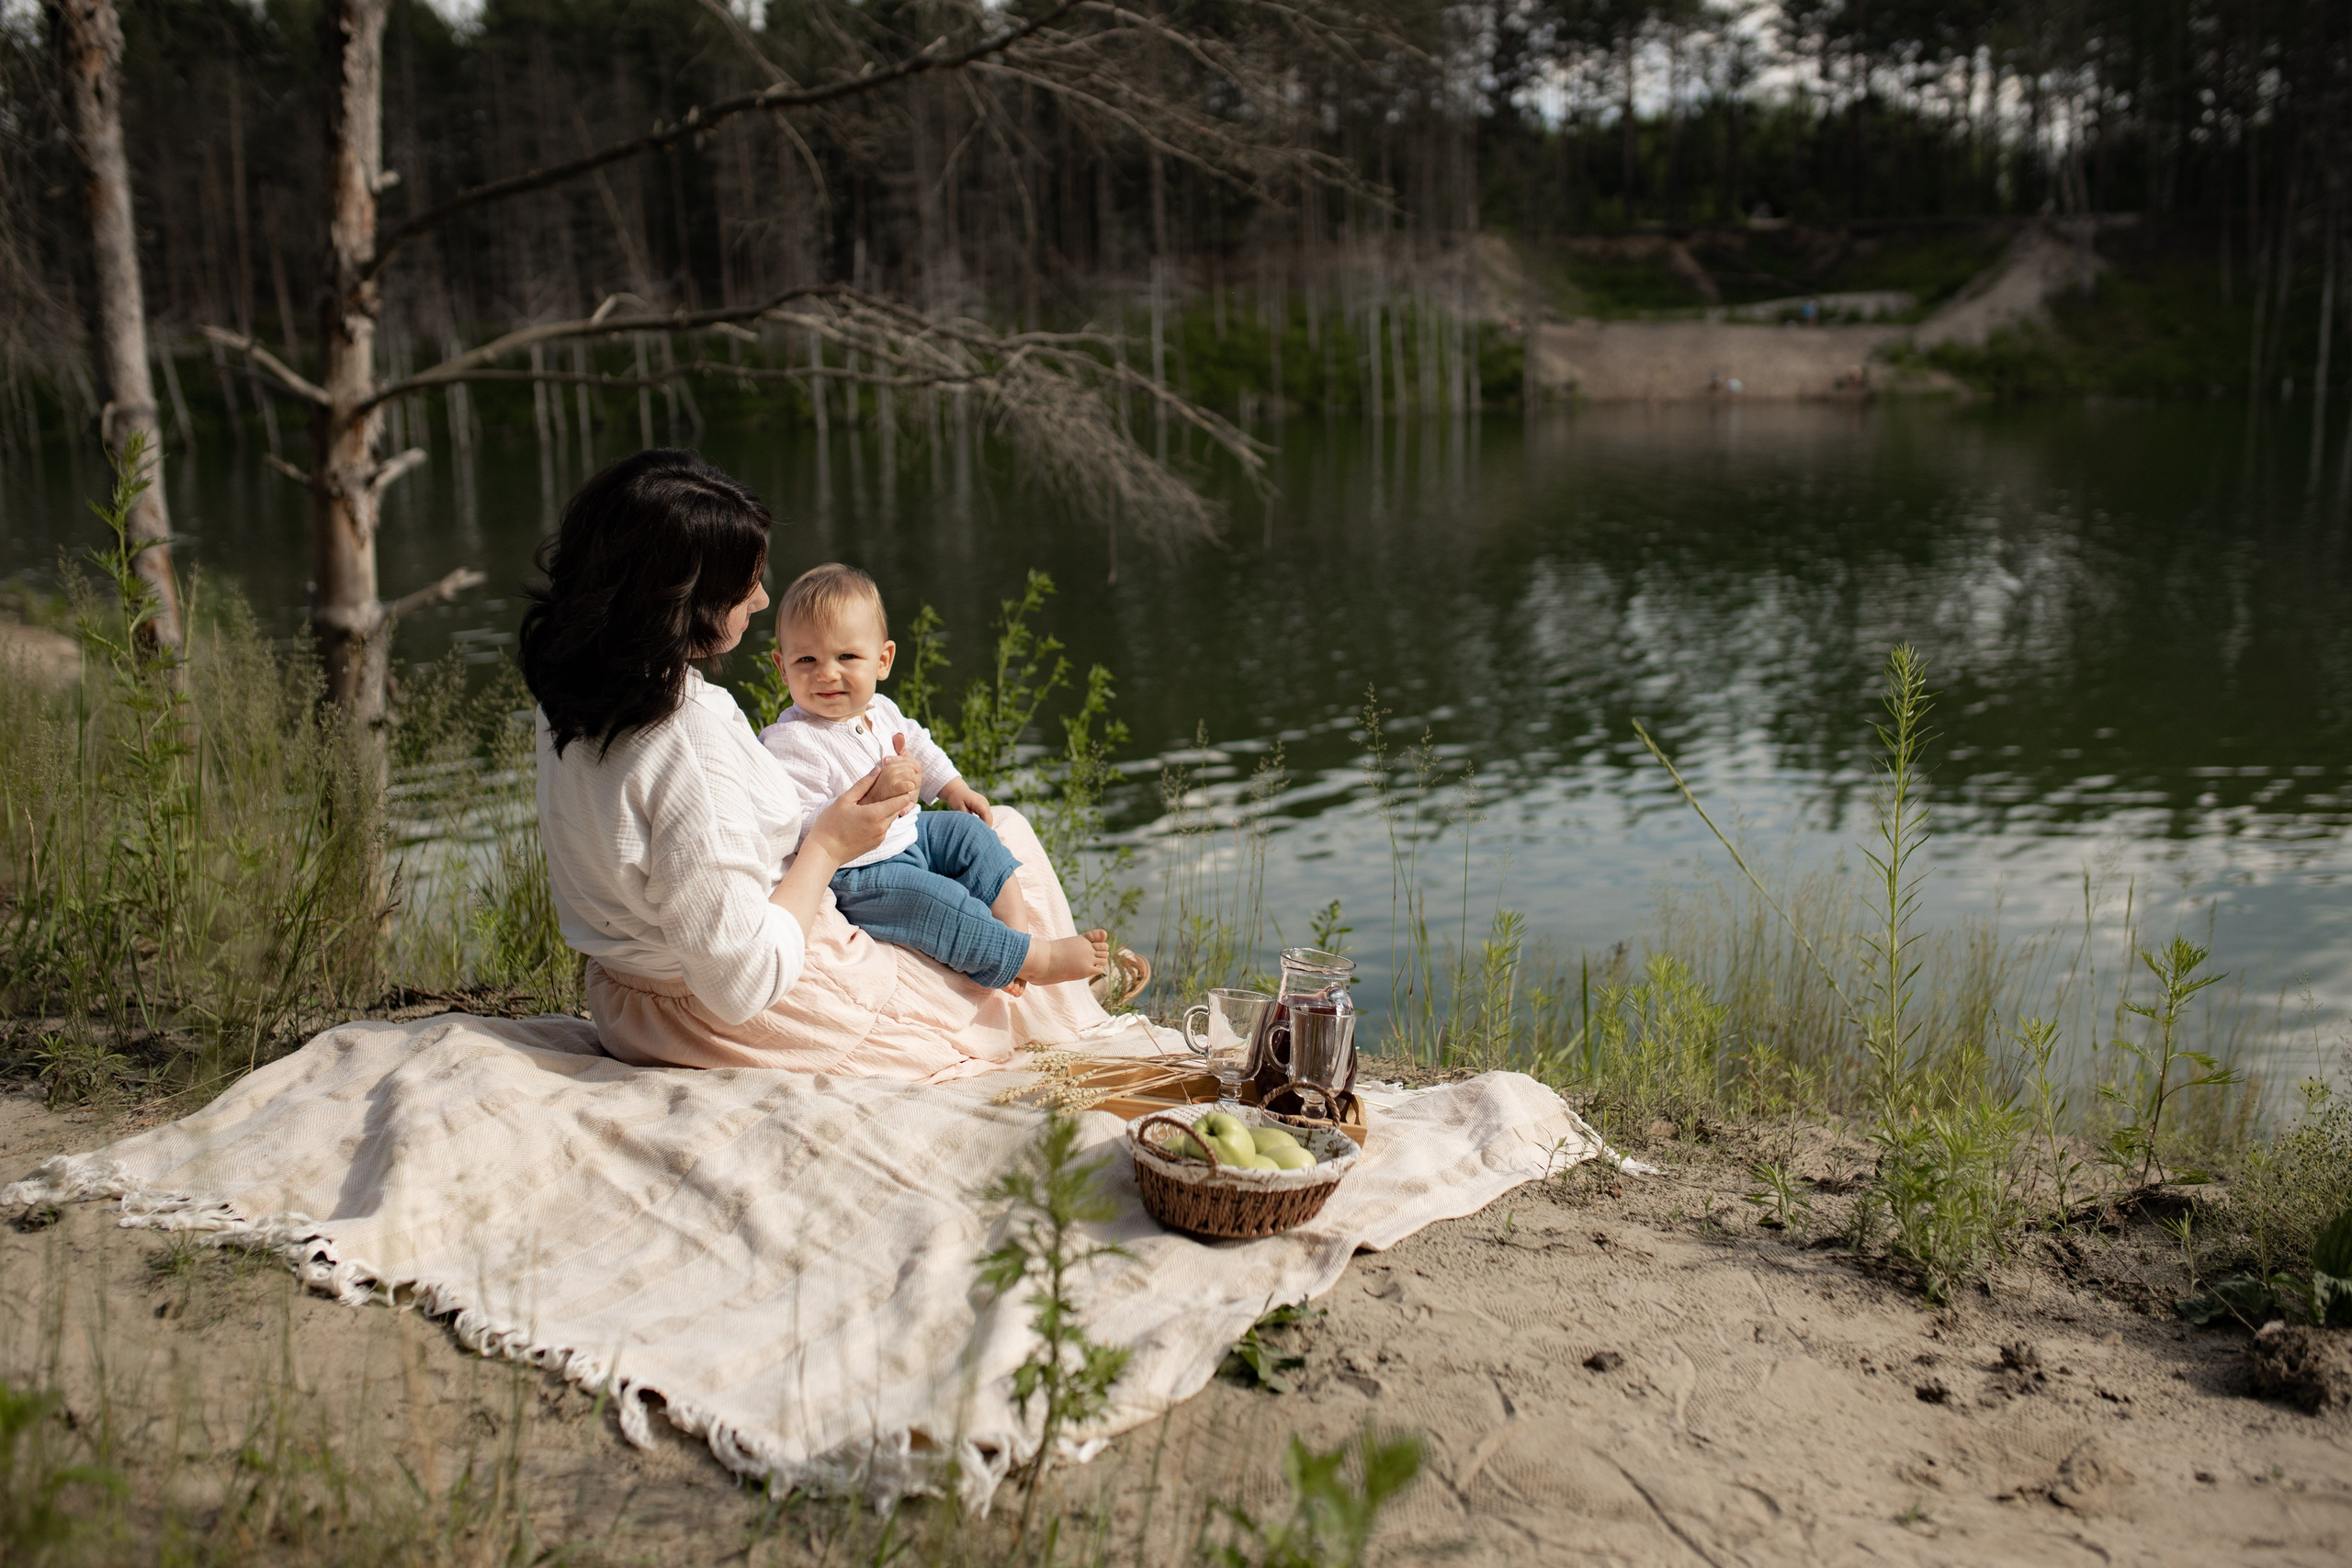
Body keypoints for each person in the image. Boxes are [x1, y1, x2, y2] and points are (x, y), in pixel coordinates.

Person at [519, 449, 1109, 1077]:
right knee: (1002, 855)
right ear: (683, 594)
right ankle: (1055, 983)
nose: (763, 597)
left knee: (982, 840)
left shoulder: (572, 688)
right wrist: (828, 844)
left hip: (626, 999)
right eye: (745, 581)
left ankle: (1055, 980)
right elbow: (740, 982)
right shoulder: (689, 735)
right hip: (735, 1014)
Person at [756, 564, 1110, 995]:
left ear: (882, 660)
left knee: (970, 836)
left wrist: (952, 787)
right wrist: (872, 799)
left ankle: (1015, 938)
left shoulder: (881, 710)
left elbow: (920, 745)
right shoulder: (791, 741)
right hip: (858, 873)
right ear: (781, 666)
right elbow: (796, 827)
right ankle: (1036, 958)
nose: (827, 673)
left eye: (846, 657)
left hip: (910, 834)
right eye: (806, 660)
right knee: (936, 903)